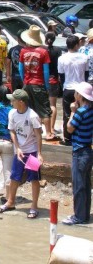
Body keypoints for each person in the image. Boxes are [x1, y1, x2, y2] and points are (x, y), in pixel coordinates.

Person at [0, 89, 43, 219]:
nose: (11, 102)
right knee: (14, 177)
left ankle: (34, 206)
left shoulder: (32, 116)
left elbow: (39, 136)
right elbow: (12, 131)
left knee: (34, 179)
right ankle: (10, 202)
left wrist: (39, 153)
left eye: (13, 100)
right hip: (19, 152)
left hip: (32, 152)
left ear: (21, 102)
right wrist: (17, 148)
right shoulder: (12, 113)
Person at [62, 82, 93, 225]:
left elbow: (69, 128)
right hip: (87, 150)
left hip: (80, 152)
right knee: (85, 185)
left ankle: (79, 217)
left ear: (79, 95)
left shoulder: (81, 112)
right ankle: (84, 215)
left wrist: (72, 111)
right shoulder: (90, 110)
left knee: (79, 186)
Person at [19, 25, 54, 142]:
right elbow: (46, 71)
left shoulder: (23, 51)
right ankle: (48, 133)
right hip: (38, 84)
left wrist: (24, 80)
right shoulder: (43, 52)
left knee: (31, 109)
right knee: (45, 110)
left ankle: (34, 131)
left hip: (27, 84)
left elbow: (20, 69)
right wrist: (47, 86)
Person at [58, 35, 88, 146]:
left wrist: (64, 86)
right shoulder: (84, 57)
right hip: (81, 89)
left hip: (68, 88)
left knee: (67, 114)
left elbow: (61, 75)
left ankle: (67, 138)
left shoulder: (62, 58)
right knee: (82, 113)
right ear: (76, 45)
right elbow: (86, 73)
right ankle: (80, 135)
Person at [45, 32, 62, 138]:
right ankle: (51, 128)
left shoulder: (42, 50)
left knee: (43, 105)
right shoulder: (58, 50)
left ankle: (45, 127)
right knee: (53, 105)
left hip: (43, 80)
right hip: (54, 79)